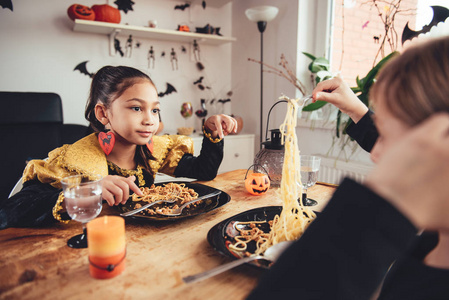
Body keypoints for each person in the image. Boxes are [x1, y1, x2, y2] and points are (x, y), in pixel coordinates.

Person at [247, 36, 449, 299]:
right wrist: (358, 111)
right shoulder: (430, 244)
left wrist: (378, 203)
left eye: (389, 137)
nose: (377, 154)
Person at [0, 65, 237, 229]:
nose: (150, 120)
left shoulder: (152, 150)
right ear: (103, 113)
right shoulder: (74, 160)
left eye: (154, 109)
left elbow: (204, 172)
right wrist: (89, 191)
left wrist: (212, 133)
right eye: (136, 108)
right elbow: (12, 210)